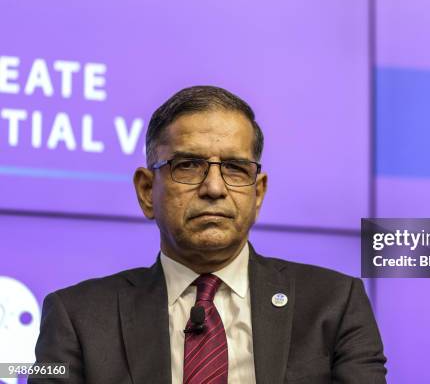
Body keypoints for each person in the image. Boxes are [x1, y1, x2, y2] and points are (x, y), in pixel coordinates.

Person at [31, 86, 387, 384]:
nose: (214, 188)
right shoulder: (77, 315)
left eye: (235, 168)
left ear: (258, 192)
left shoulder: (335, 303)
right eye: (188, 165)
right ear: (145, 190)